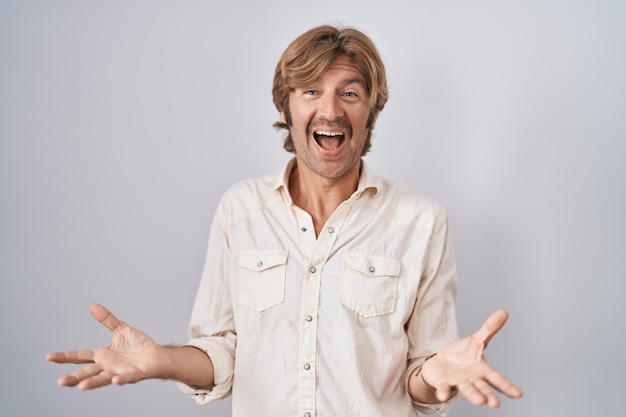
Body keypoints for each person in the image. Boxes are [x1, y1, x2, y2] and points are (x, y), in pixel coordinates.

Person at [46, 25, 522, 416]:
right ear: (285, 106)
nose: (330, 110)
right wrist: (163, 361)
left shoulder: (422, 222)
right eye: (311, 90)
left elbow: (420, 377)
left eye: (350, 93)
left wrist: (437, 373)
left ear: (371, 112)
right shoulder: (240, 209)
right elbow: (224, 354)